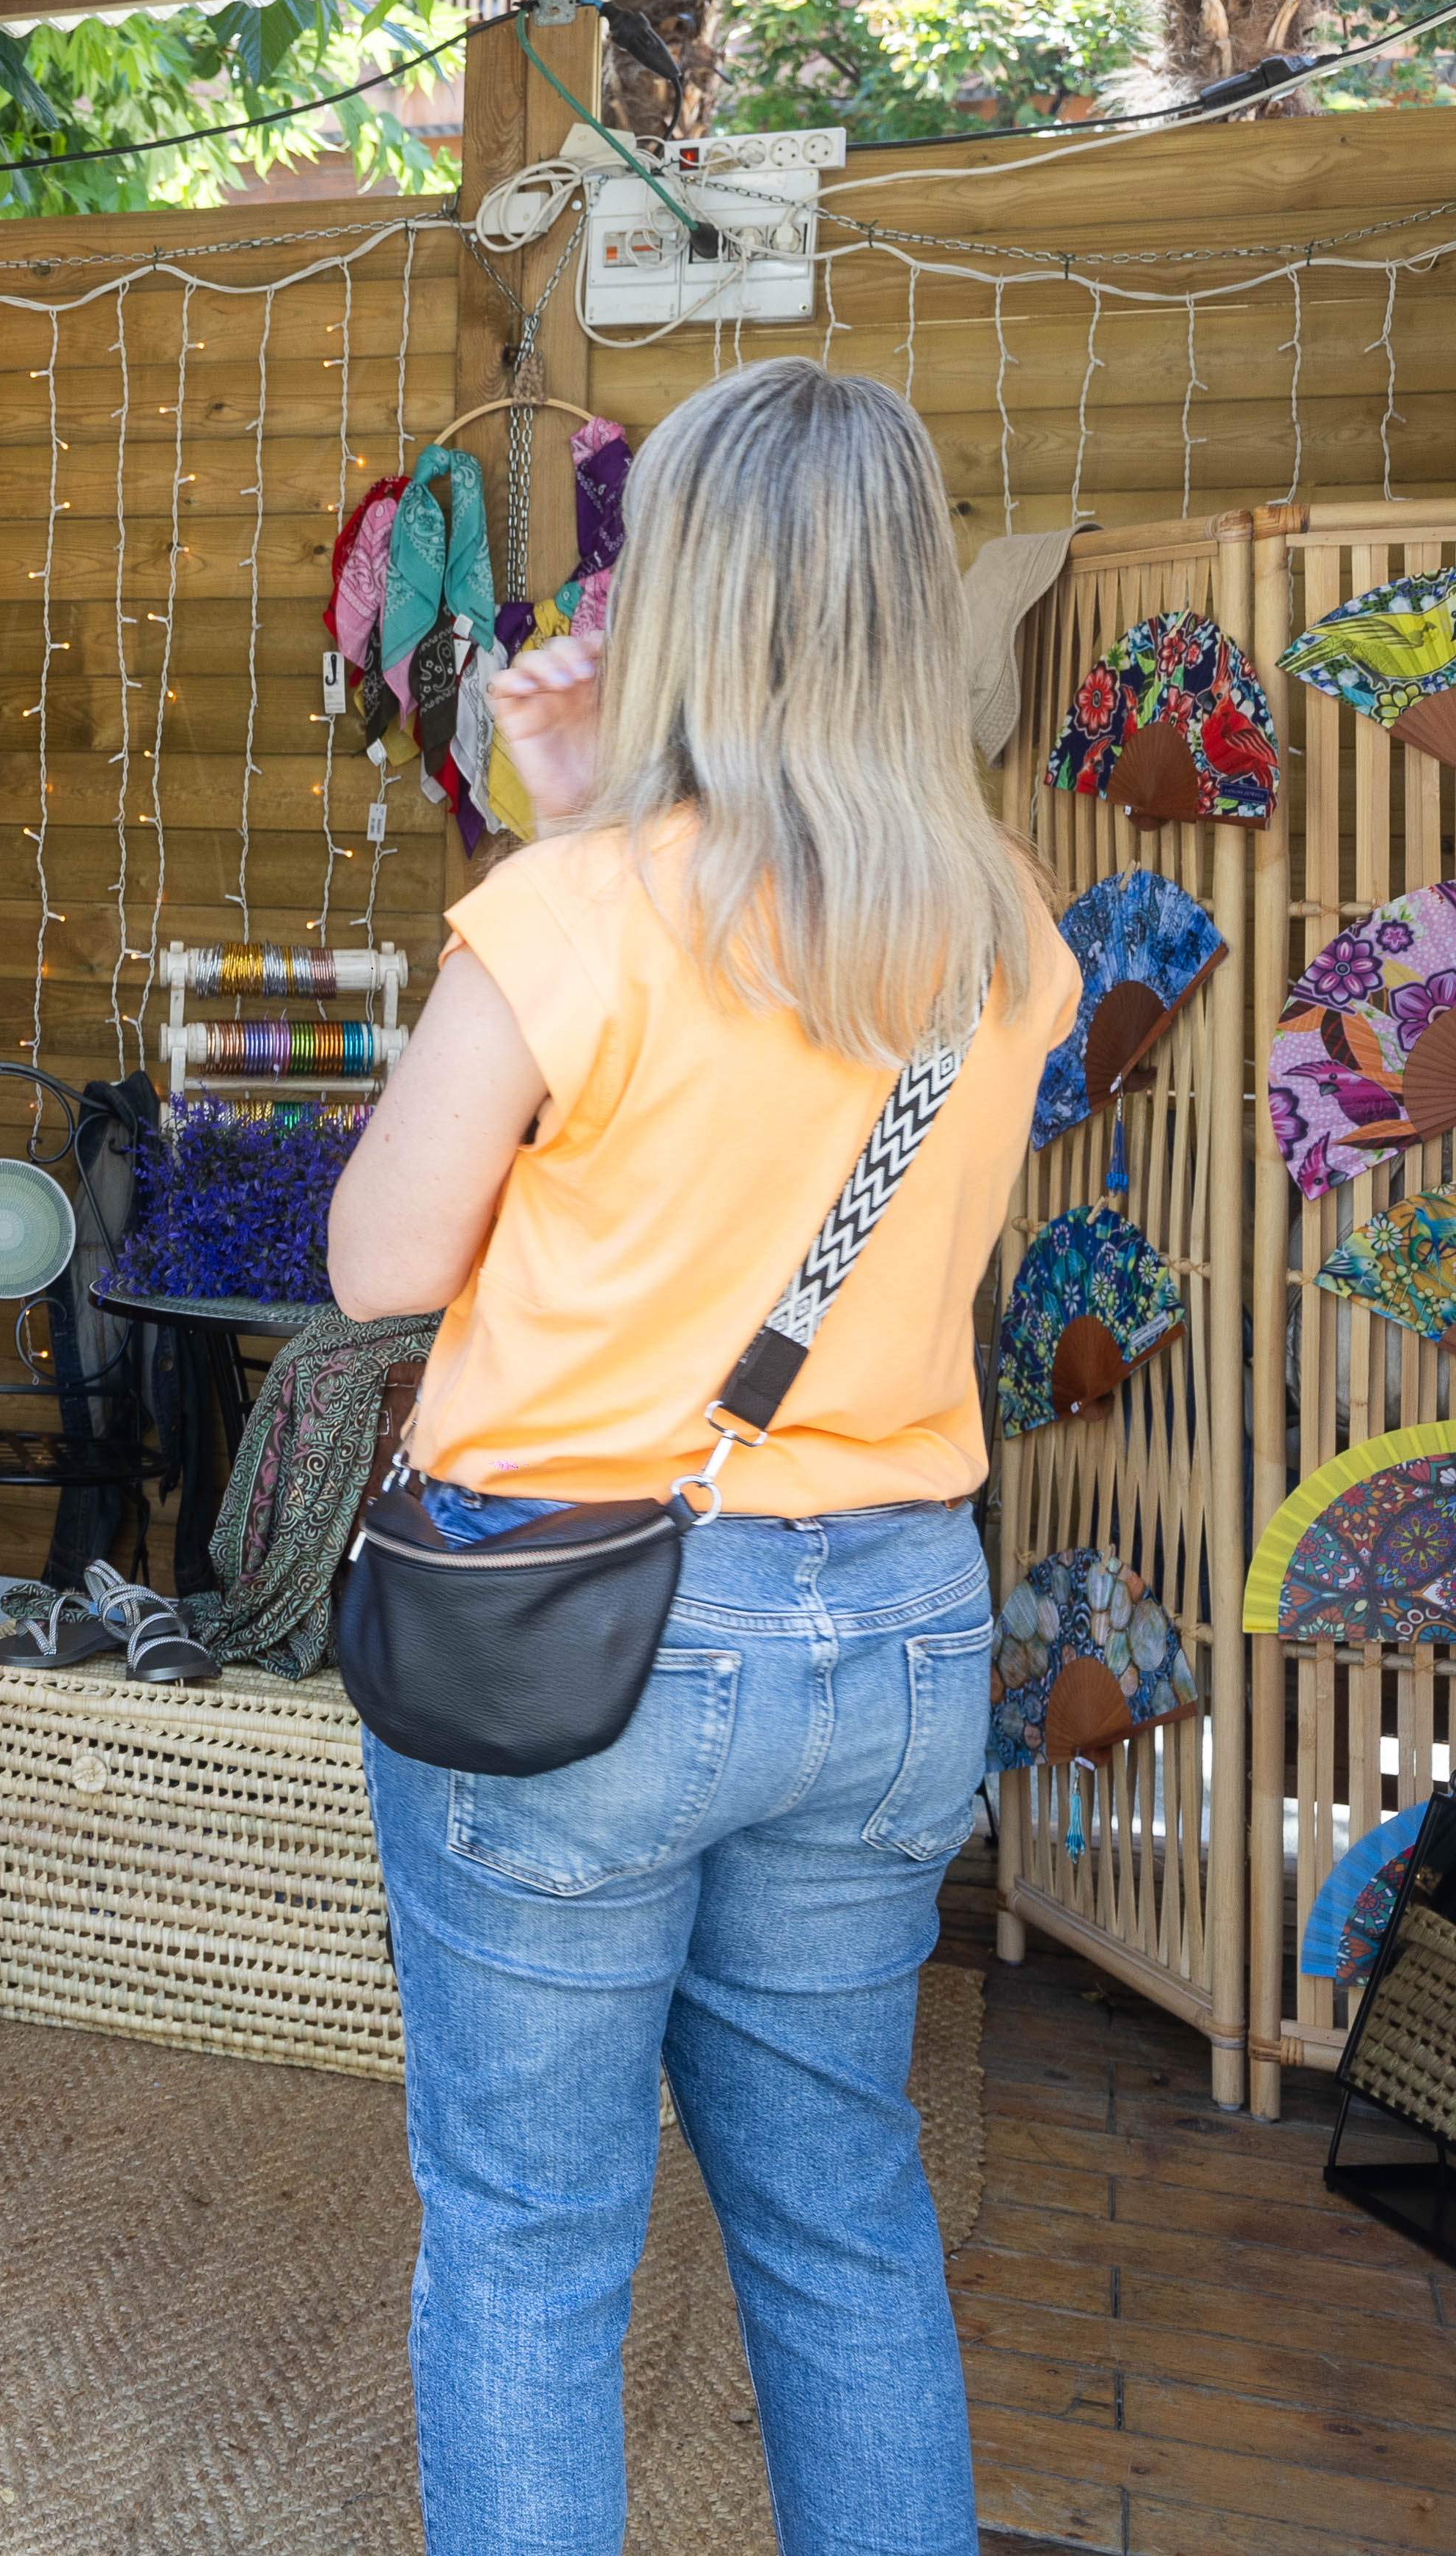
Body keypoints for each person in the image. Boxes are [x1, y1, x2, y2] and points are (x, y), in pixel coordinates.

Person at [327, 358, 1063, 2555]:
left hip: (583, 1640)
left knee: (540, 2254)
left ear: (694, 595)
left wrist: (567, 840)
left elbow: (380, 1261)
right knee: (844, 2220)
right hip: (901, 1630)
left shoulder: (578, 914)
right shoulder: (1007, 930)